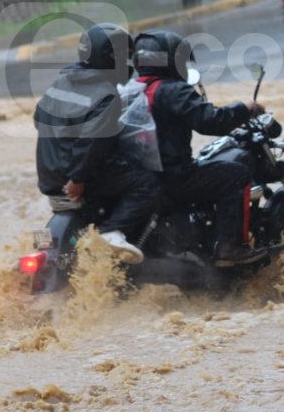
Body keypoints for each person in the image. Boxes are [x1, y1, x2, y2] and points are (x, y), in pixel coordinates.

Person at [133, 29, 269, 267]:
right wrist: (244, 109)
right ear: (172, 60)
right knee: (235, 174)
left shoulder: (127, 90)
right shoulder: (172, 89)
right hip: (171, 177)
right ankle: (230, 246)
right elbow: (209, 121)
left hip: (137, 177)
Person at [33, 23, 163, 265]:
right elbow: (93, 141)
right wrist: (78, 178)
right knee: (147, 183)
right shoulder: (105, 93)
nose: (129, 64)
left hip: (50, 177)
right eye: (125, 56)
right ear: (110, 57)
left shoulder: (62, 82)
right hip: (73, 179)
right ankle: (113, 232)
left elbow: (39, 119)